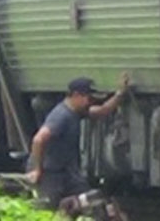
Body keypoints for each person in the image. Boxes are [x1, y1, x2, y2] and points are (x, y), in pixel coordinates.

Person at [26, 73, 131, 210]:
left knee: (89, 200)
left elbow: (102, 111)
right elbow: (38, 140)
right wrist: (37, 169)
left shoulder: (76, 112)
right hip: (49, 173)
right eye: (89, 98)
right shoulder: (61, 115)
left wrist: (120, 93)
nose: (91, 102)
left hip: (67, 173)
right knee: (47, 208)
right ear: (76, 95)